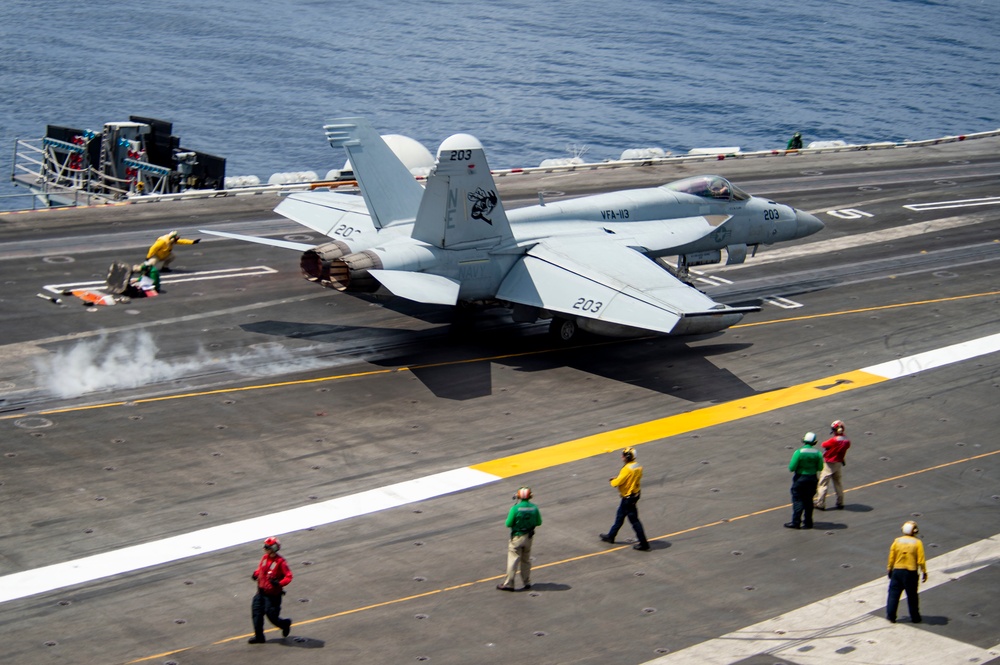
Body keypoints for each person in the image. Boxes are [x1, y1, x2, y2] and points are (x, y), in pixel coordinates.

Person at [600, 447, 650, 550]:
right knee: (620, 516)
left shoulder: (627, 468)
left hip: (628, 498)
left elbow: (617, 483)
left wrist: (612, 481)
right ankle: (611, 536)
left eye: (623, 455)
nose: (622, 456)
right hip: (634, 494)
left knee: (635, 521)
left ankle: (644, 544)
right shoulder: (638, 466)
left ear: (627, 457)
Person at [249, 536, 293, 644]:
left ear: (273, 548)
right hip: (261, 592)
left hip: (272, 596)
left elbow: (289, 576)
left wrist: (279, 583)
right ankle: (259, 636)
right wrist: (256, 574)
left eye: (267, 547)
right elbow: (260, 569)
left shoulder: (280, 562)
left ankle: (284, 624)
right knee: (256, 614)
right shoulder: (265, 558)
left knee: (272, 616)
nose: (265, 549)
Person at [497, 487, 542, 591]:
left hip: (517, 537)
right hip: (529, 537)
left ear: (519, 496)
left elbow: (508, 523)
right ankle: (527, 582)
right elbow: (539, 522)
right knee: (526, 560)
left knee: (513, 560)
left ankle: (509, 584)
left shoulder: (515, 508)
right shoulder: (534, 508)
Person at [886, 520, 927, 623]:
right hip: (910, 572)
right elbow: (921, 560)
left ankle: (891, 616)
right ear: (915, 531)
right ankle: (915, 617)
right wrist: (924, 572)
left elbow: (891, 557)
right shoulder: (917, 543)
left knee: (893, 595)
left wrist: (889, 569)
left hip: (897, 571)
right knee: (912, 596)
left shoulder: (897, 541)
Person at [785, 432, 823, 529]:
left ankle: (796, 522)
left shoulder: (799, 452)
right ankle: (808, 522)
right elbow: (820, 467)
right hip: (812, 478)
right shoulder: (818, 453)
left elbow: (791, 468)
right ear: (814, 442)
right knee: (809, 501)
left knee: (798, 500)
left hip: (800, 479)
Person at [814, 419, 851, 510]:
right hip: (838, 463)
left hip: (829, 464)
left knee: (823, 484)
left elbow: (823, 444)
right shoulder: (847, 440)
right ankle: (840, 502)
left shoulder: (834, 440)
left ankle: (820, 503)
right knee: (838, 483)